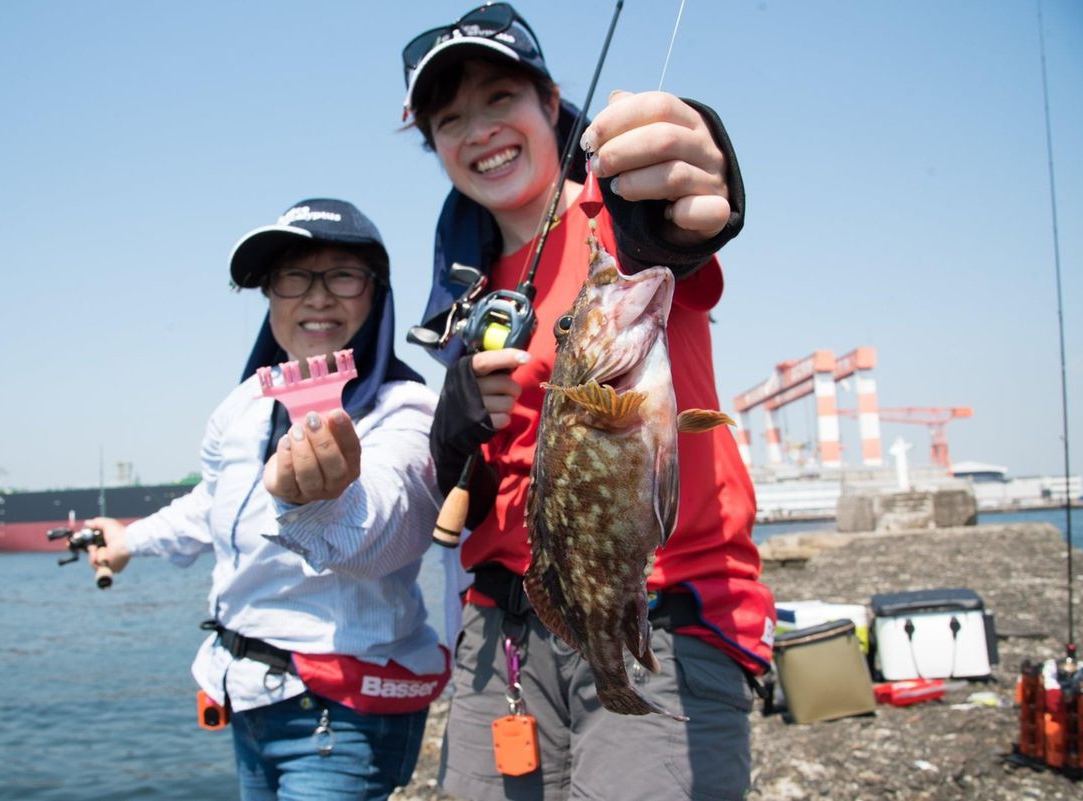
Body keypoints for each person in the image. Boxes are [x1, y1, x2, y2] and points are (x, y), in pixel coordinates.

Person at [400, 4, 775, 800]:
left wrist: (686, 172)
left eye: (500, 97)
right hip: (500, 634)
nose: (479, 130)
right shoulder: (459, 295)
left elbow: (671, 230)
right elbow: (473, 492)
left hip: (660, 611)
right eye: (449, 118)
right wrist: (449, 433)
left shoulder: (616, 220)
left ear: (550, 102)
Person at [86, 198, 448, 801]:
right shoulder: (242, 407)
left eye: (343, 275)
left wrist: (323, 503)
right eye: (293, 277)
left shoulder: (404, 411)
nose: (317, 296)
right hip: (248, 698)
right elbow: (212, 502)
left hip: (340, 715)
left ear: (376, 292)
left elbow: (387, 526)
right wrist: (130, 541)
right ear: (270, 295)